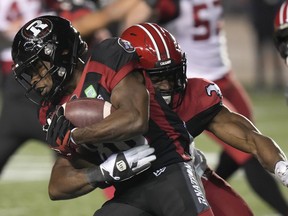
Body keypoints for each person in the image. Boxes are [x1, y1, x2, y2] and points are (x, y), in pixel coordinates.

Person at [12, 15, 215, 216]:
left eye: (37, 68)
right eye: (29, 73)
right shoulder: (52, 109)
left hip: (168, 167)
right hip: (130, 190)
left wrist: (76, 136)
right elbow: (57, 186)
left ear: (62, 54)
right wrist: (102, 173)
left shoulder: (107, 57)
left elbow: (135, 119)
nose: (35, 80)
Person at [120, 22, 288, 215]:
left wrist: (283, 170)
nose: (167, 86)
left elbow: (251, 138)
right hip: (136, 189)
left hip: (189, 175)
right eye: (157, 79)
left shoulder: (192, 97)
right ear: (132, 76)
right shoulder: (106, 106)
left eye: (172, 75)